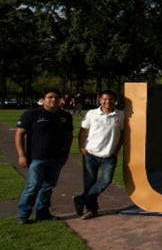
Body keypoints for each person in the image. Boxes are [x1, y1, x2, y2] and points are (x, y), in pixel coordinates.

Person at [14, 89, 73, 224]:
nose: (53, 100)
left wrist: (66, 152)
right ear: (43, 99)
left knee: (47, 186)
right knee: (33, 186)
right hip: (37, 157)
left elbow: (69, 135)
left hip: (57, 157)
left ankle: (42, 212)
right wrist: (21, 155)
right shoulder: (32, 114)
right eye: (50, 97)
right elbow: (19, 134)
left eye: (57, 97)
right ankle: (23, 214)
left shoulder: (65, 116)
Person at [72, 90, 125, 219]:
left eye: (111, 99)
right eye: (105, 99)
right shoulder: (92, 113)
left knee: (106, 180)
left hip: (109, 155)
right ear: (100, 100)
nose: (108, 101)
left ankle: (81, 199)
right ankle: (92, 210)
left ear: (115, 100)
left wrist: (117, 149)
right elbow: (83, 131)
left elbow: (123, 134)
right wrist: (81, 146)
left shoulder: (121, 115)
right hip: (91, 154)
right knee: (89, 183)